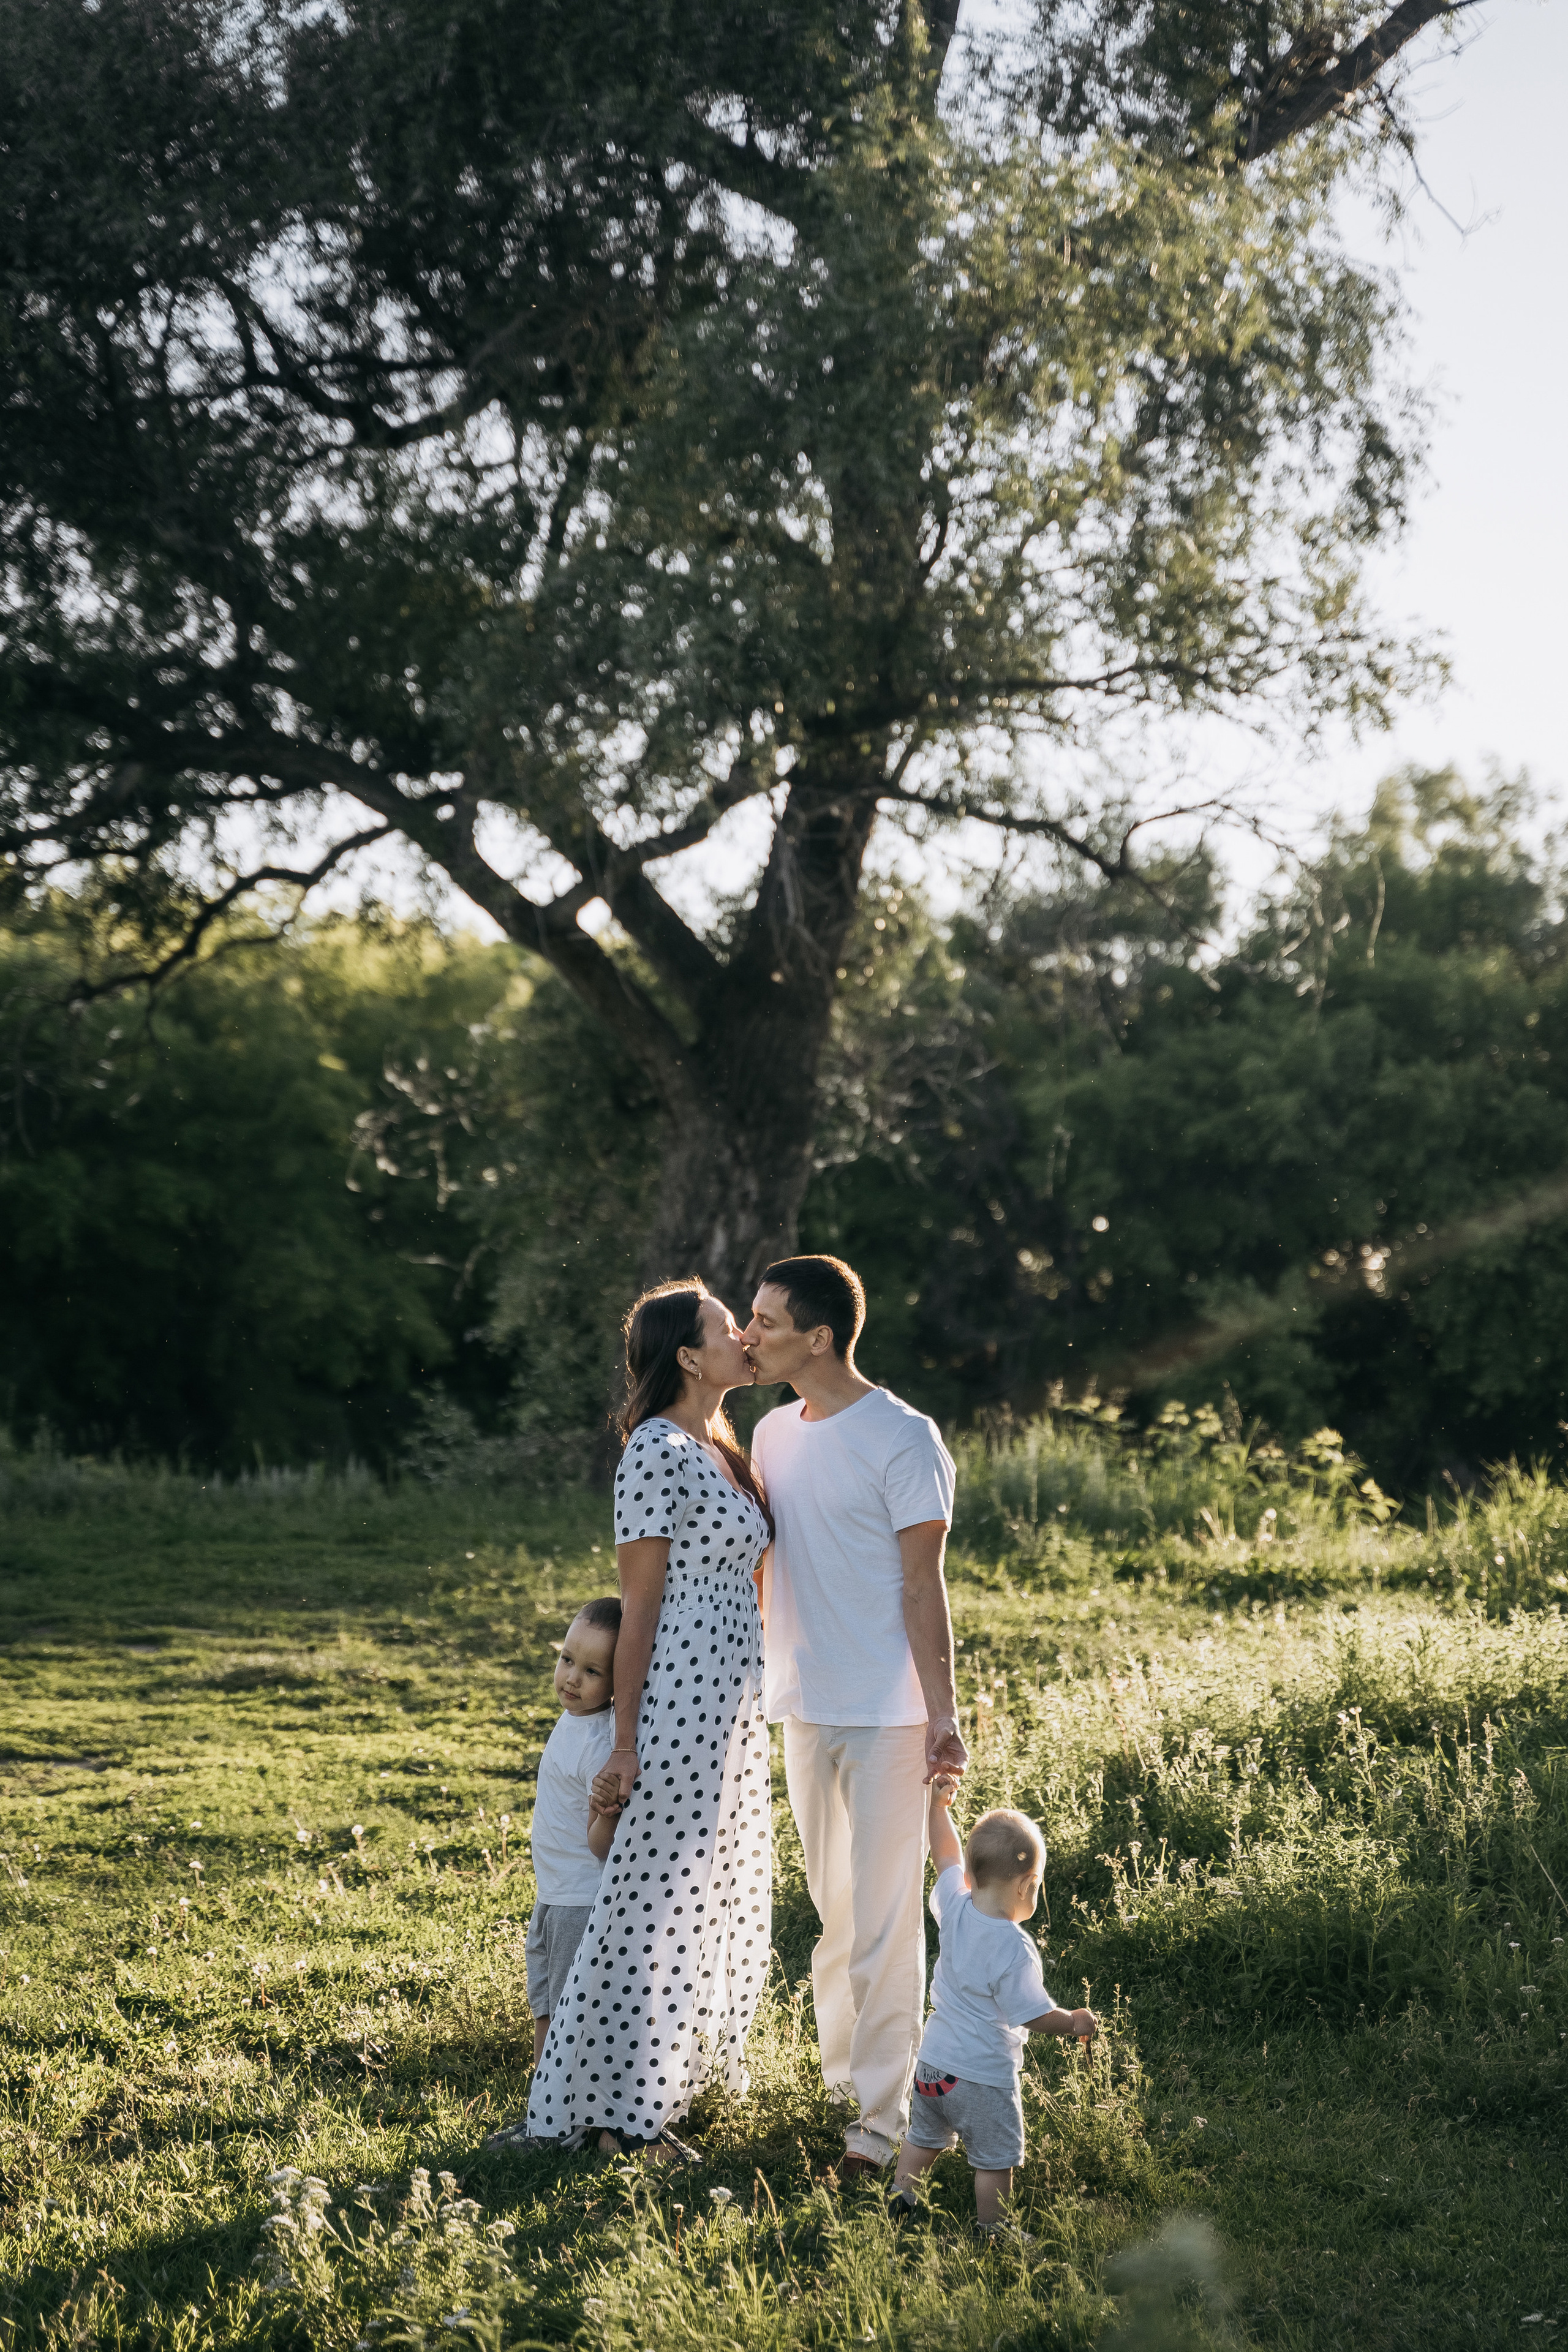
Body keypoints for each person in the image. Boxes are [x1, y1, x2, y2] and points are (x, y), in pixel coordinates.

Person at [519, 1278, 773, 2162]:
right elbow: (642, 1603)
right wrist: (626, 1740)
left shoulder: (722, 1445)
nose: (745, 1334)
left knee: (704, 1898)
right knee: (650, 1905)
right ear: (690, 1357)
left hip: (729, 1713)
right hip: (674, 1709)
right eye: (725, 1326)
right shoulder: (657, 1452)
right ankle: (619, 2119)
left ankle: (664, 2081)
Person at [745, 1253, 967, 2178]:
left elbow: (926, 1584)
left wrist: (944, 1717)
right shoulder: (769, 1435)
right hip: (803, 1704)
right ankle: (845, 2086)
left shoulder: (905, 1438)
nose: (746, 1336)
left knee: (882, 1923)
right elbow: (766, 1569)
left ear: (819, 1337)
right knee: (833, 1913)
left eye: (764, 1321)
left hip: (887, 1716)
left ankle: (883, 2127)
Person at [891, 1779, 1098, 2233]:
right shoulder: (1014, 1949)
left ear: (972, 1874)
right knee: (994, 2162)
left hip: (932, 2068)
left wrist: (938, 1807)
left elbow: (944, 1853)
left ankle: (900, 2199)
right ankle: (994, 2229)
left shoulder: (954, 1902)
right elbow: (1033, 2014)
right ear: (1028, 1885)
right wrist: (1072, 2021)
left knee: (922, 2141)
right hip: (980, 2078)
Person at [522, 1597, 624, 2070]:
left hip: (577, 1901)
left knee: (565, 2010)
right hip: (552, 1894)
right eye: (566, 1660)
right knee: (544, 2003)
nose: (572, 1679)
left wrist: (605, 1811)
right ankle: (543, 2100)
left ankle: (566, 2109)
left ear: (620, 1681)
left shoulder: (601, 1744)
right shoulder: (575, 1718)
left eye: (592, 1671)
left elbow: (601, 1846)